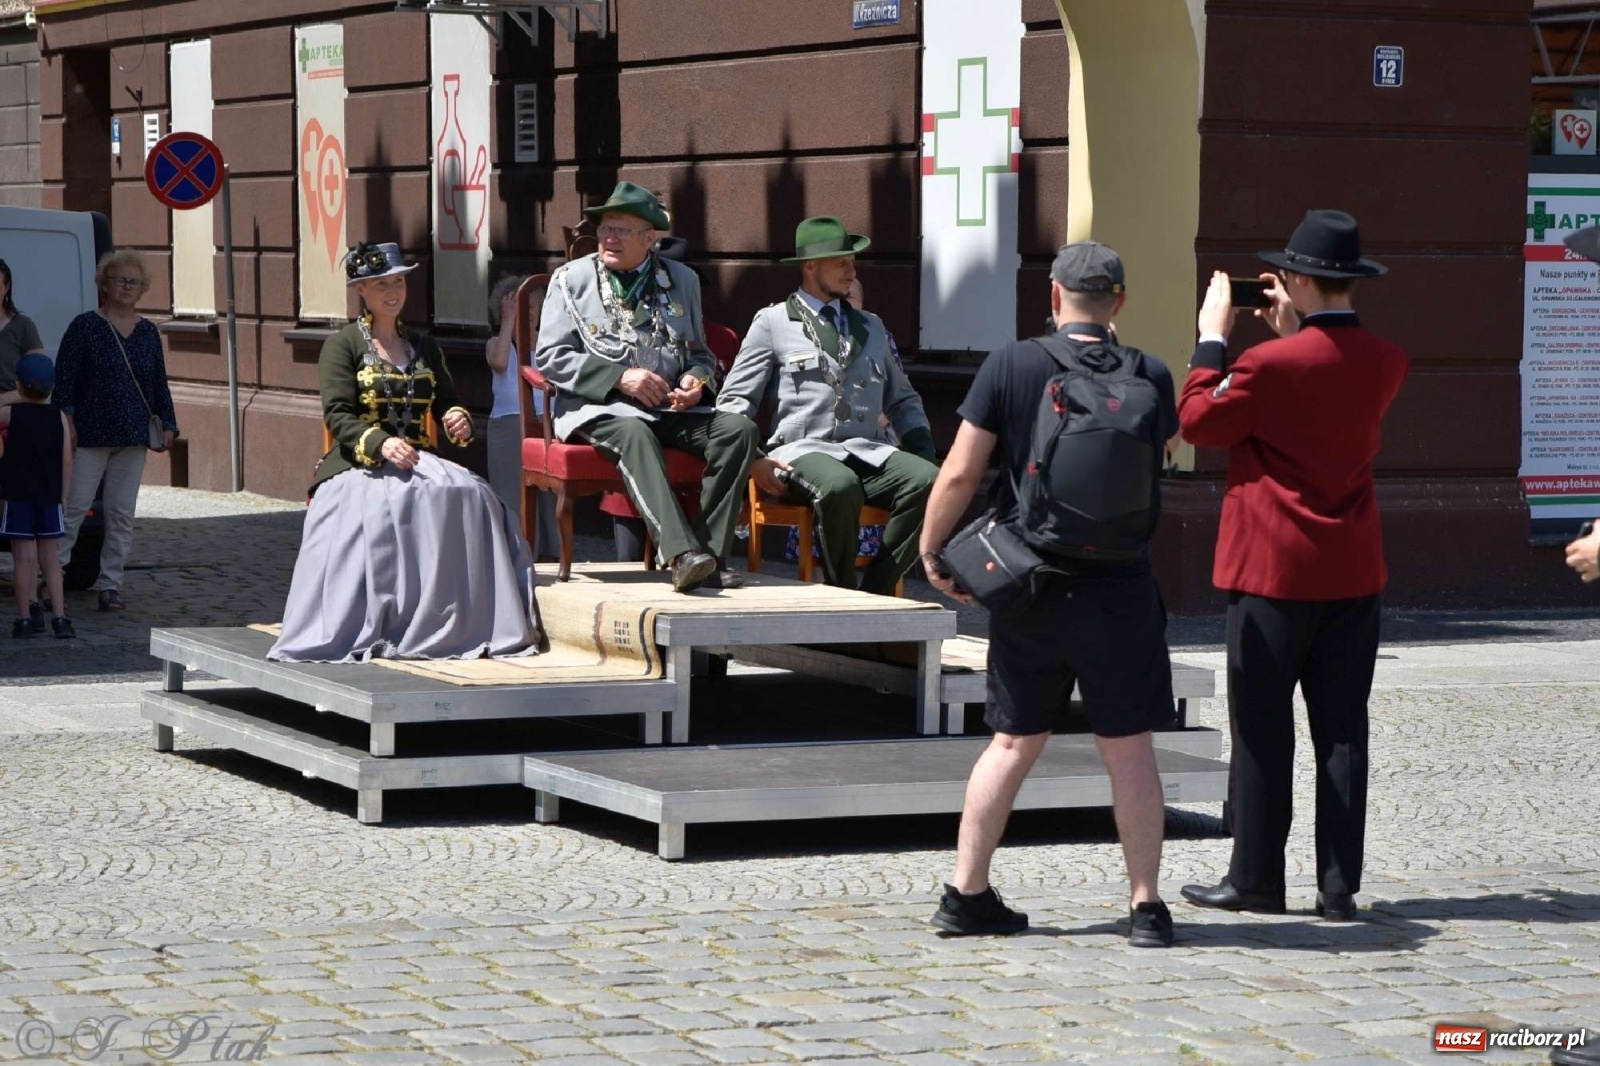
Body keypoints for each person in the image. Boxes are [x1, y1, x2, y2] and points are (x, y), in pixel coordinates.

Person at [917, 241, 1180, 945]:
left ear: (1054, 297)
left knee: (1011, 743)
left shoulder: (1011, 363)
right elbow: (1156, 462)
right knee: (1130, 749)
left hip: (1029, 583)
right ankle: (1146, 908)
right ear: (1118, 302)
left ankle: (967, 894)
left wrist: (932, 549)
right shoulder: (1150, 373)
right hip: (1121, 591)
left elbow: (960, 471)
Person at [1177, 210, 1409, 923]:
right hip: (1352, 568)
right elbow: (1321, 394)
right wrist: (1293, 334)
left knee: (1263, 728)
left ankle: (1256, 878)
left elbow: (1199, 420)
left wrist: (1212, 336)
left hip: (1274, 570)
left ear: (1300, 281)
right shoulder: (1387, 359)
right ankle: (1338, 886)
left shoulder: (1267, 366)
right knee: (1342, 729)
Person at [268, 242, 540, 663]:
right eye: (381, 284)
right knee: (385, 507)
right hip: (360, 463)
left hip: (419, 458)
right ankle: (383, 616)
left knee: (473, 495)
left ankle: (455, 617)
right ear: (361, 290)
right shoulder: (343, 345)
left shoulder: (424, 346)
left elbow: (448, 401)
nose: (393, 292)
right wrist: (381, 443)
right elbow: (338, 415)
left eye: (398, 282)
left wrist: (456, 419)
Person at [534, 181, 758, 592]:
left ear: (649, 238)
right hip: (600, 407)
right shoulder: (570, 279)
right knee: (634, 432)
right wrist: (619, 377)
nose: (609, 238)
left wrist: (695, 381)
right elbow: (549, 357)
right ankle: (681, 555)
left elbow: (700, 354)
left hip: (668, 407)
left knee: (737, 430)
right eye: (605, 228)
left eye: (621, 230)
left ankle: (709, 555)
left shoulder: (682, 279)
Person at [719, 216, 938, 596]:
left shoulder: (869, 325)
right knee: (839, 485)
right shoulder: (773, 322)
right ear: (809, 266)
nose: (851, 271)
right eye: (841, 263)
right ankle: (841, 593)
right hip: (800, 454)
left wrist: (922, 451)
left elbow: (903, 399)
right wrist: (753, 459)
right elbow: (734, 401)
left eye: (852, 262)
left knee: (930, 480)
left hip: (867, 451)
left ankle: (876, 591)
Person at [53, 249, 179, 614]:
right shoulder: (84, 326)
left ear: (142, 288)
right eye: (120, 280)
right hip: (90, 435)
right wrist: (68, 422)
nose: (126, 287)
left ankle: (111, 585)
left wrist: (168, 423)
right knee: (74, 508)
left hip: (133, 434)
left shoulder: (148, 332)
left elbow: (158, 382)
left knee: (121, 513)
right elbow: (65, 381)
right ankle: (53, 576)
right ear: (104, 285)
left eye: (133, 282)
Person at [608, 236, 742, 564]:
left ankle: (708, 562)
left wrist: (697, 385)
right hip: (635, 446)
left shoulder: (722, 338)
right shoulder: (625, 326)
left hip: (695, 461)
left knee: (738, 432)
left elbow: (727, 394)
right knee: (629, 565)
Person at [0, 354, 73, 638]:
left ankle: (25, 618)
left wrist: (12, 397)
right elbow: (66, 460)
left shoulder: (11, 415)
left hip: (18, 495)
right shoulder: (59, 417)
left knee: (24, 559)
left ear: (19, 385)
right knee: (50, 560)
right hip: (49, 496)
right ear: (52, 387)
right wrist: (63, 496)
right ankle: (60, 618)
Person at [485, 274, 556, 561]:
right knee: (511, 493)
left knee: (550, 494)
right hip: (508, 425)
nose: (529, 311)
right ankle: (517, 555)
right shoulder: (496, 342)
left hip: (546, 422)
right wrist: (508, 321)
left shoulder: (550, 343)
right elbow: (500, 362)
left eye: (533, 304)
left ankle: (552, 555)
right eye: (520, 305)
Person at [0, 258, 47, 407]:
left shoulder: (23, 326)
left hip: (12, 412)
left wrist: (4, 399)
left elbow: (39, 382)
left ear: (6, 287)